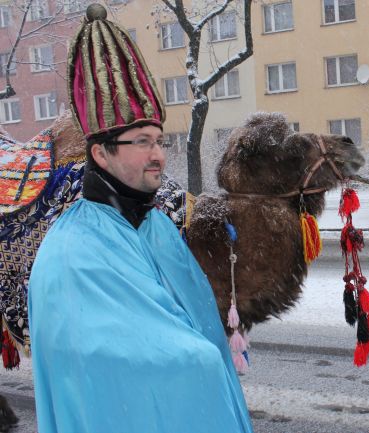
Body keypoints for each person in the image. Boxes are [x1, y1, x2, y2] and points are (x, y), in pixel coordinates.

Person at [28, 5, 253, 433]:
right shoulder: (72, 251)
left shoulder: (156, 226)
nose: (158, 154)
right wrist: (201, 364)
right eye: (142, 141)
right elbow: (106, 360)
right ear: (101, 152)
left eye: (160, 140)